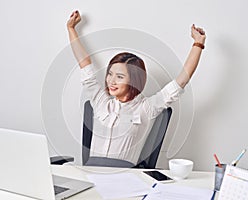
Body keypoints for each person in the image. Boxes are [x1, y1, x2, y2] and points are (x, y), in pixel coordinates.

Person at [67, 10, 206, 166]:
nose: (111, 81)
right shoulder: (101, 101)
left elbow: (181, 81)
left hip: (125, 177)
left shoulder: (146, 108)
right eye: (110, 74)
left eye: (119, 77)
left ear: (134, 81)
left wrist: (198, 44)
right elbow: (85, 64)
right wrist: (71, 29)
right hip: (92, 175)